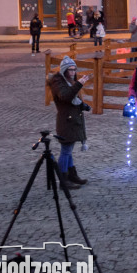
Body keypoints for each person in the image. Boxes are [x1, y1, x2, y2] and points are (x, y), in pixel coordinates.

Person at [49, 56, 90, 190]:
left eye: (74, 70)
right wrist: (79, 83)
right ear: (64, 70)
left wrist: (83, 106)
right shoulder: (58, 83)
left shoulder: (68, 82)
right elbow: (66, 97)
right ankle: (63, 180)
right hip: (66, 122)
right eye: (70, 70)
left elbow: (73, 99)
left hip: (71, 120)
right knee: (66, 151)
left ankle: (72, 175)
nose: (72, 72)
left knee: (68, 150)